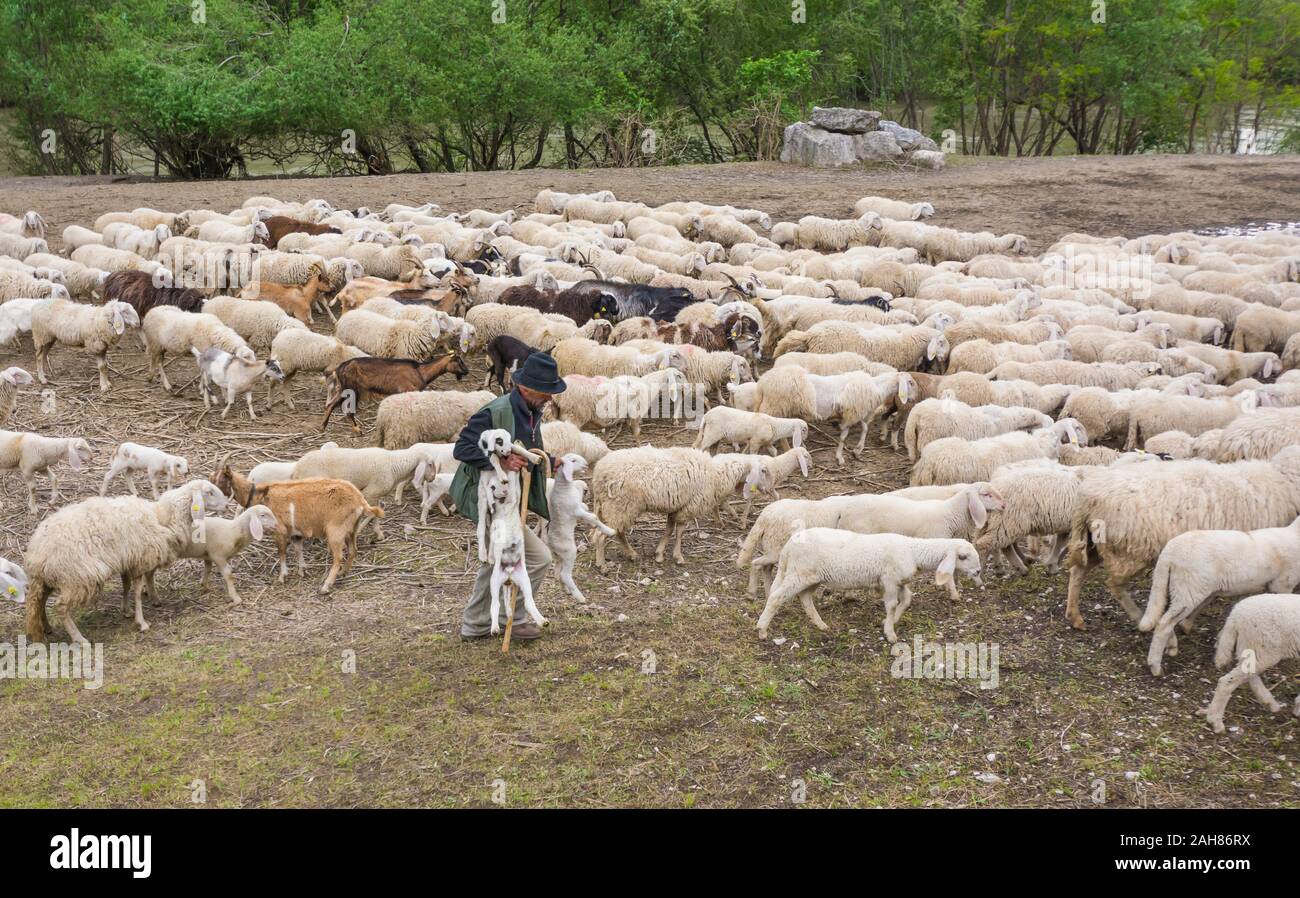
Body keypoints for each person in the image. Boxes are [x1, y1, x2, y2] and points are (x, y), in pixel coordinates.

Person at [449, 352, 566, 641]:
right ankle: (493, 622)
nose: (550, 398)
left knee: (519, 558)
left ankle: (492, 621)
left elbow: (520, 447)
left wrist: (549, 459)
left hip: (508, 502)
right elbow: (462, 448)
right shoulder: (496, 411)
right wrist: (498, 463)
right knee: (512, 560)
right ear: (525, 388)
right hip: (489, 500)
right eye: (545, 392)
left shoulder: (530, 411)